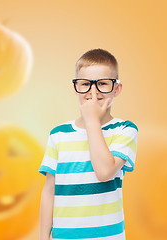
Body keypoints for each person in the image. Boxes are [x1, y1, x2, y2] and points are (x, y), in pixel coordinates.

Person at [38, 48, 138, 240]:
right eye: (85, 84)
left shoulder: (125, 130)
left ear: (116, 89)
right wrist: (43, 237)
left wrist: (92, 121)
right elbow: (49, 191)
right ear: (76, 88)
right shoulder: (58, 134)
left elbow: (104, 172)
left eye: (102, 84)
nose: (93, 92)